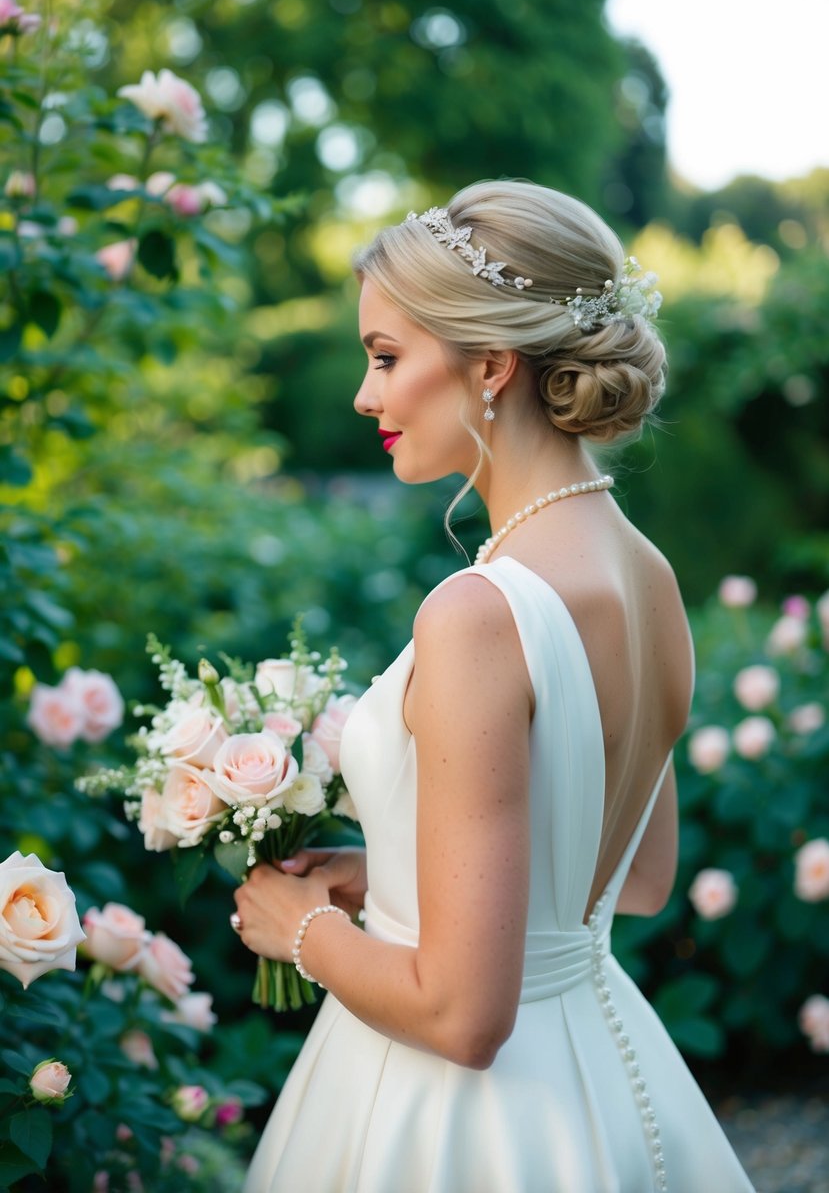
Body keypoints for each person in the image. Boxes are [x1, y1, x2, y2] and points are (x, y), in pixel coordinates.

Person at [232, 180, 755, 1193]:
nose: (364, 395)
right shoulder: (648, 577)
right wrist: (381, 873)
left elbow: (463, 1016)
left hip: (463, 1124)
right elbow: (632, 881)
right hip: (605, 1076)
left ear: (491, 364)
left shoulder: (478, 613)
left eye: (386, 357)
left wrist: (298, 928)